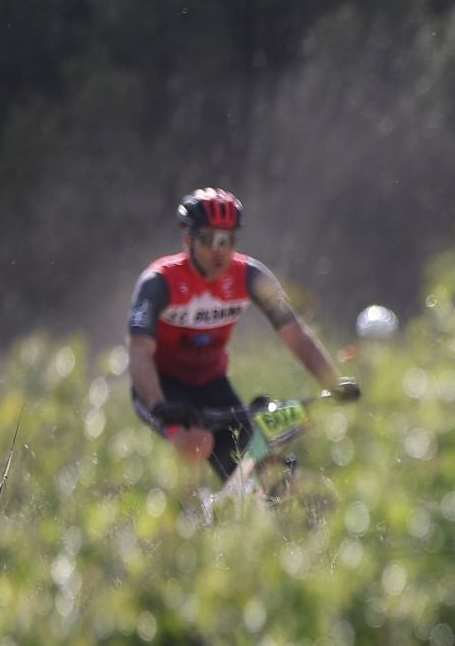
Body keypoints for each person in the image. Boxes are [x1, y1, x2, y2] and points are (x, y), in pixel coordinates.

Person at [127, 188, 360, 481]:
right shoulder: (159, 282)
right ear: (188, 240)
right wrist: (159, 404)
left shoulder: (251, 276)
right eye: (210, 239)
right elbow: (138, 350)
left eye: (229, 240)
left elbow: (296, 334)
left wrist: (333, 383)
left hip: (212, 385)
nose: (219, 250)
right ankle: (182, 523)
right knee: (198, 442)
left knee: (263, 468)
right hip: (163, 388)